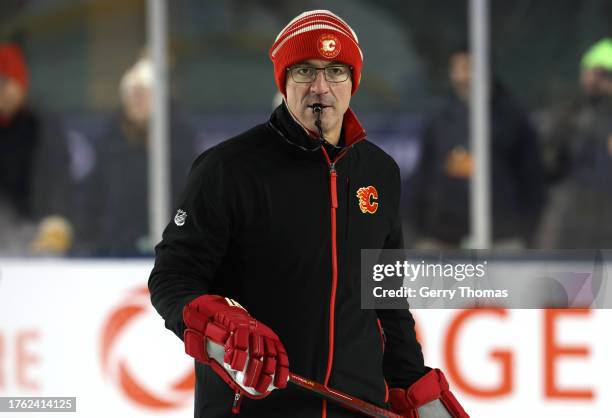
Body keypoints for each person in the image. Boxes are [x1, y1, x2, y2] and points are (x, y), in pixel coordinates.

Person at [148, 10, 468, 418]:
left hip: (356, 408)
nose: (321, 87)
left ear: (353, 81)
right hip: (255, 407)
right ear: (284, 81)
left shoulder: (379, 172)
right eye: (304, 71)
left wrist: (413, 390)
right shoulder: (228, 169)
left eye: (336, 71)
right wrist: (218, 322)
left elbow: (386, 301)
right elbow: (172, 278)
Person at [408, 46, 546, 249]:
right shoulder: (440, 118)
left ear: (486, 69)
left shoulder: (513, 116)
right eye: (457, 69)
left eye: (469, 68)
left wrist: (527, 231)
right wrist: (418, 230)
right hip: (443, 234)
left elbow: (532, 178)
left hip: (502, 235)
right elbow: (424, 175)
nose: (462, 77)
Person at [76, 56, 195, 255]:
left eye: (144, 93)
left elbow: (190, 198)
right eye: (131, 94)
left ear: (159, 98)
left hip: (169, 249)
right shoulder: (109, 140)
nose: (136, 99)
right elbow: (92, 198)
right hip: (115, 248)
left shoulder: (179, 139)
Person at [0, 43, 73, 255]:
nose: (2, 91)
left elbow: (60, 182)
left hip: (39, 238)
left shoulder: (43, 128)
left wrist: (55, 223)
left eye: (6, 82)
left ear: (21, 85)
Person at [539, 38, 612, 248]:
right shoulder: (569, 115)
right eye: (590, 72)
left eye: (603, 75)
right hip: (573, 220)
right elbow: (551, 164)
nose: (593, 80)